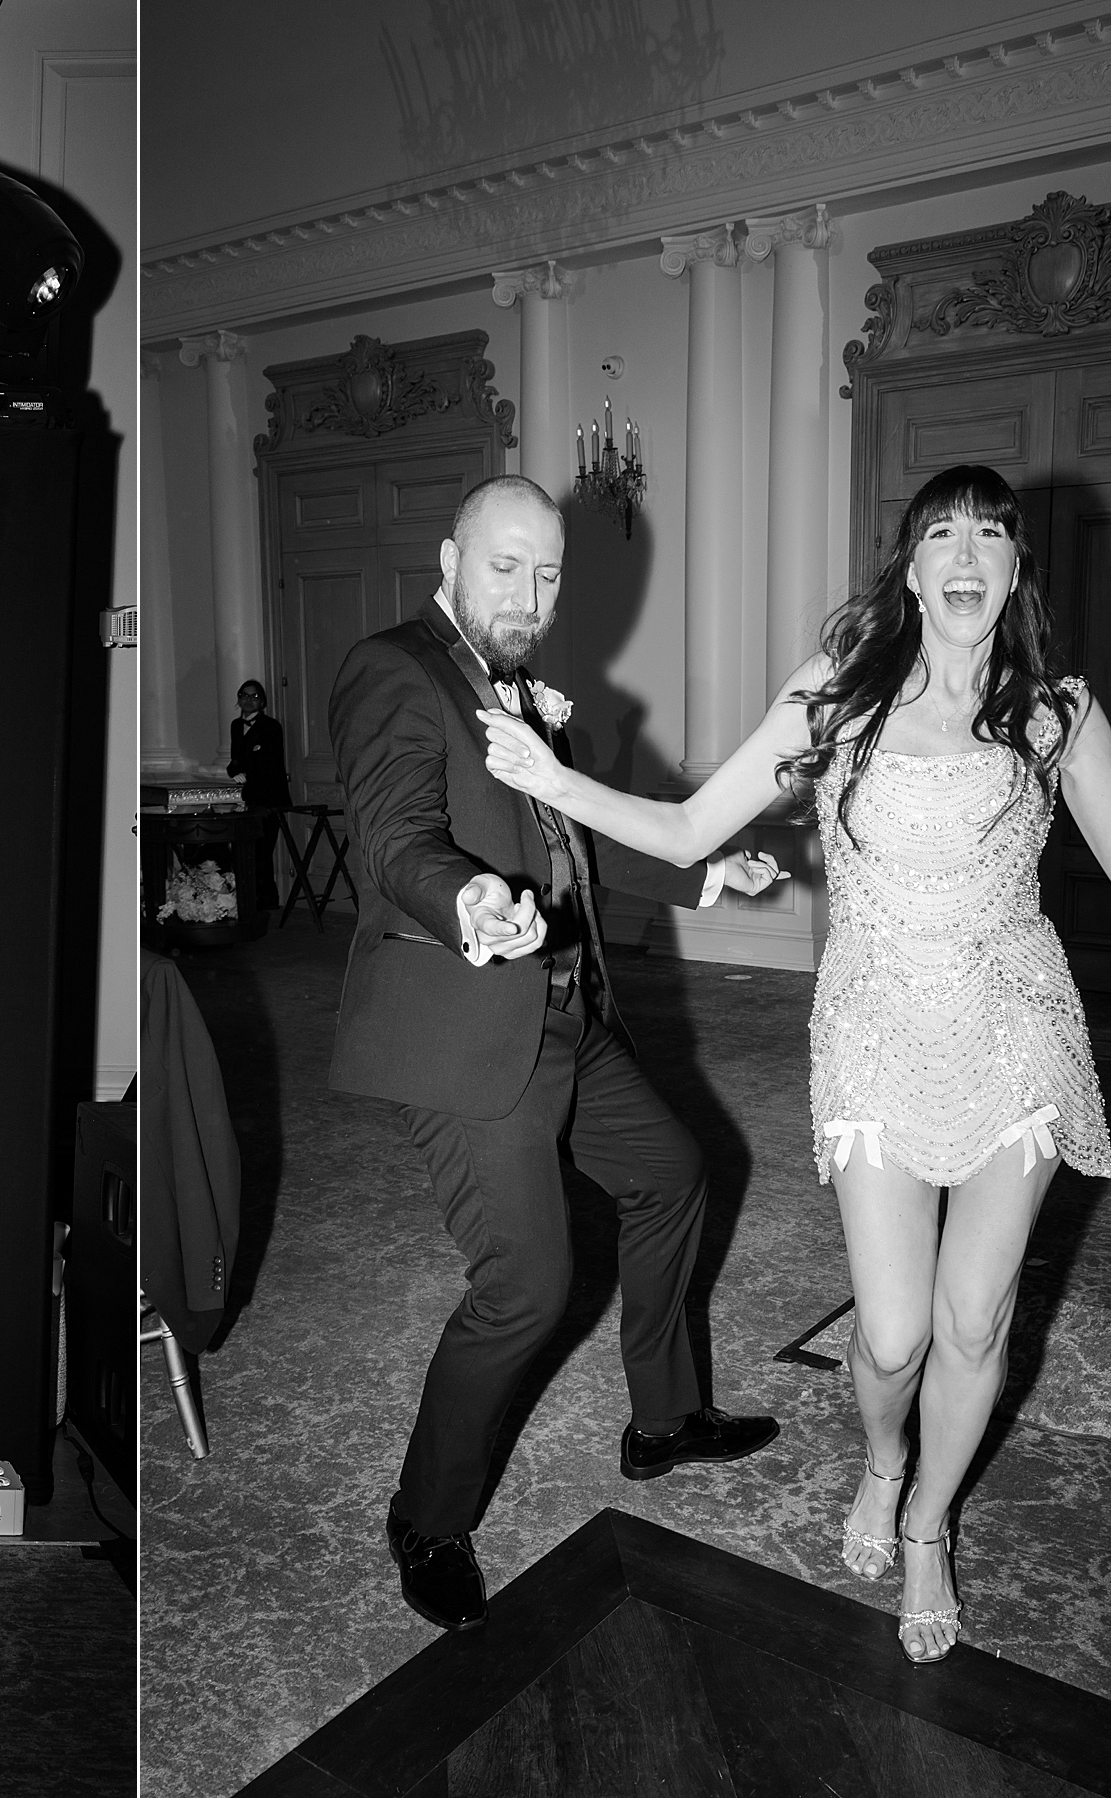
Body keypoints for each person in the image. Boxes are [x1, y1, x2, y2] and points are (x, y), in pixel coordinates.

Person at [479, 462, 1111, 1663]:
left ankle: (930, 1521)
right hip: (877, 1020)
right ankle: (885, 1459)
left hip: (1015, 1020)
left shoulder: (1055, 712)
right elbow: (684, 828)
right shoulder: (835, 695)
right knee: (889, 1334)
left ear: (1015, 569)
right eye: (944, 530)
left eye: (992, 532)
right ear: (913, 565)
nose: (969, 550)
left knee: (975, 1319)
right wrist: (559, 781)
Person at [329, 473, 785, 1633]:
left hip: (570, 1015)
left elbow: (575, 835)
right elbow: (393, 837)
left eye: (547, 573)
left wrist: (701, 869)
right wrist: (468, 899)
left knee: (675, 1173)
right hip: (475, 1026)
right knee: (527, 1287)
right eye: (505, 566)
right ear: (449, 559)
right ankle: (424, 1517)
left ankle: (662, 1419)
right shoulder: (394, 669)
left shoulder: (530, 694)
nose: (528, 592)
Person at [226, 680, 290, 905]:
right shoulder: (236, 725)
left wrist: (247, 770)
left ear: (262, 701)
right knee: (247, 849)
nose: (248, 700)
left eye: (253, 696)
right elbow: (236, 758)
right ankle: (250, 900)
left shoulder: (271, 726)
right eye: (243, 695)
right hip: (248, 796)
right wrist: (234, 770)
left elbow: (269, 762)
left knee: (263, 851)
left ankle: (266, 901)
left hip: (269, 797)